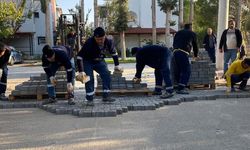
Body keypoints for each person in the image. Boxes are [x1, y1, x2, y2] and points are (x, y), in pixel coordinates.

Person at [76, 27, 123, 105]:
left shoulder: (108, 41)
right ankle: (90, 99)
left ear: (105, 36)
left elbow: (114, 53)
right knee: (88, 78)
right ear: (94, 38)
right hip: (88, 61)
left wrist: (117, 65)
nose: (100, 41)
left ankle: (106, 96)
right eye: (98, 39)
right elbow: (79, 57)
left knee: (106, 74)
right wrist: (81, 71)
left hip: (99, 60)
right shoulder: (89, 43)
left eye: (102, 39)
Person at [172, 23, 199, 94]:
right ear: (190, 27)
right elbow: (195, 45)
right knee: (187, 70)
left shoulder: (178, 33)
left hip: (175, 52)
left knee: (178, 70)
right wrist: (195, 55)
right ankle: (181, 88)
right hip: (183, 52)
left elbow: (174, 43)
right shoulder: (192, 33)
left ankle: (178, 85)